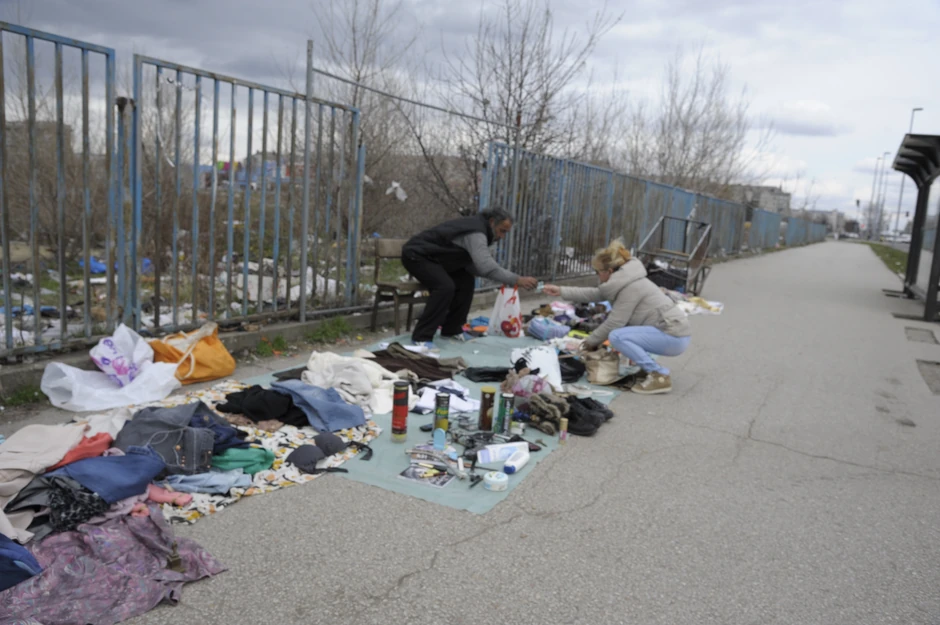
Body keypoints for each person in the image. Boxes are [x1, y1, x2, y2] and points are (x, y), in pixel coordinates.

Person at [543, 239, 691, 395]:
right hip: (672, 333)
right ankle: (648, 369)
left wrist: (590, 342)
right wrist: (561, 290)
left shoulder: (631, 287)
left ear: (609, 272)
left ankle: (659, 375)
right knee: (623, 333)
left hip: (673, 336)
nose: (597, 276)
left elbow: (615, 322)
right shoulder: (625, 281)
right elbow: (595, 293)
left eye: (598, 272)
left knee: (617, 336)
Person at [401, 208, 539, 348]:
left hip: (438, 259)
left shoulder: (480, 229)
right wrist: (516, 279)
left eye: (505, 233)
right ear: (492, 222)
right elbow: (485, 266)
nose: (502, 236)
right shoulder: (476, 232)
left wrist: (507, 278)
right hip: (417, 256)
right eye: (501, 231)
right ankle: (421, 337)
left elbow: (475, 266)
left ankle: (452, 330)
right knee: (444, 287)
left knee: (466, 282)